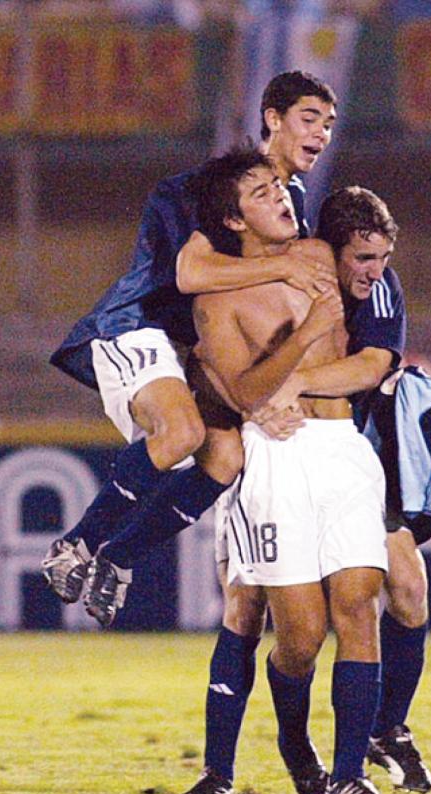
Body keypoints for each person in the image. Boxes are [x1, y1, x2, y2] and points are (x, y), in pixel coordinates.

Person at [180, 186, 431, 794]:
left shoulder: (351, 278)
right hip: (271, 456)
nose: (373, 272)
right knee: (287, 629)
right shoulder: (223, 289)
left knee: (371, 598)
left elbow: (375, 362)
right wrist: (257, 387)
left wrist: (296, 375)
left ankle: (360, 760)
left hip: (348, 447)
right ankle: (279, 749)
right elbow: (220, 367)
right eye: (264, 193)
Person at [42, 70, 338, 628]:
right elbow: (188, 270)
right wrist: (288, 265)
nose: (321, 133)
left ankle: (118, 559)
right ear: (272, 120)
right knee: (180, 433)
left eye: (328, 122)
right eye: (308, 118)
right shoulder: (205, 188)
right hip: (136, 326)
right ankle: (76, 546)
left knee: (227, 458)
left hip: (191, 350)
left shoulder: (292, 201)